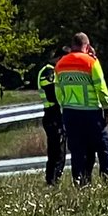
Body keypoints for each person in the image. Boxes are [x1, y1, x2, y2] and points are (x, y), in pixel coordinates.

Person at [54, 32, 108, 186]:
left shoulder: (60, 64)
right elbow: (101, 87)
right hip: (91, 112)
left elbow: (58, 91)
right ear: (87, 46)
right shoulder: (91, 62)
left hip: (70, 113)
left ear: (72, 46)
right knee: (103, 147)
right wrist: (107, 107)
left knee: (77, 150)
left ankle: (80, 181)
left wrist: (64, 108)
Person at [37, 48, 68, 186]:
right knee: (57, 151)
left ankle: (54, 179)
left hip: (55, 114)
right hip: (52, 114)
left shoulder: (53, 71)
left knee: (59, 150)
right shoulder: (48, 72)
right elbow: (51, 94)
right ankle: (52, 180)